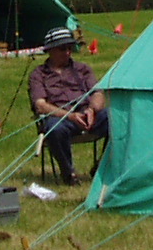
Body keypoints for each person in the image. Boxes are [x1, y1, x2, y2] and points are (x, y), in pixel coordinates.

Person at [28, 26, 105, 186]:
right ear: (50, 50)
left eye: (70, 48)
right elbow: (40, 105)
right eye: (62, 49)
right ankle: (68, 173)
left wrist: (92, 109)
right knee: (54, 129)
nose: (68, 52)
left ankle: (103, 165)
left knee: (118, 118)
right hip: (61, 118)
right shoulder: (38, 74)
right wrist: (70, 116)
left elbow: (98, 93)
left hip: (87, 115)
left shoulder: (83, 69)